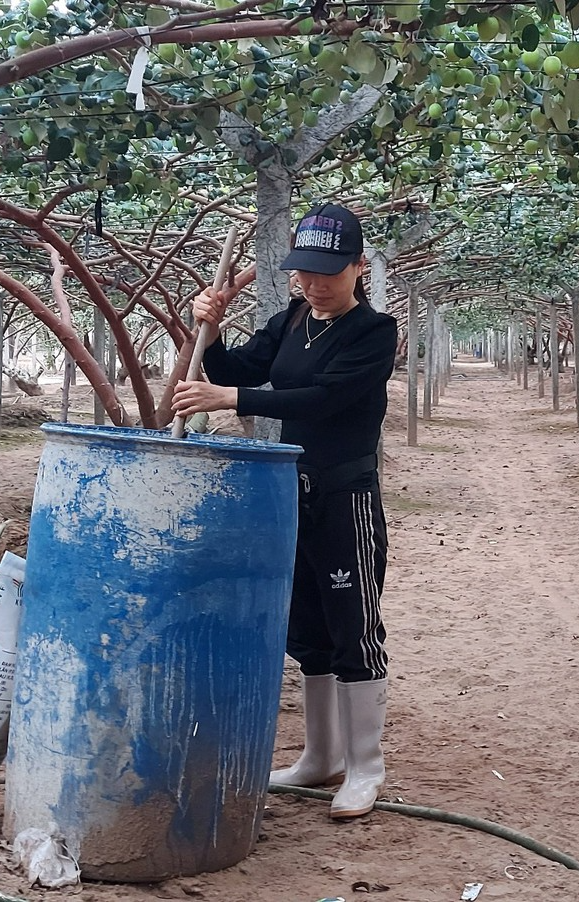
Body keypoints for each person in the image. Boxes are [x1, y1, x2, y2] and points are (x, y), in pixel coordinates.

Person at [172, 203, 400, 819]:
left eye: (330, 271)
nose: (316, 284)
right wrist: (211, 331)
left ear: (358, 267)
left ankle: (366, 767)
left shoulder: (375, 333)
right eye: (305, 272)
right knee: (308, 629)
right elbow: (238, 367)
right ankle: (319, 757)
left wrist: (234, 397)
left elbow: (323, 398)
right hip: (289, 492)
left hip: (344, 495)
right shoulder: (292, 318)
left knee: (353, 625)